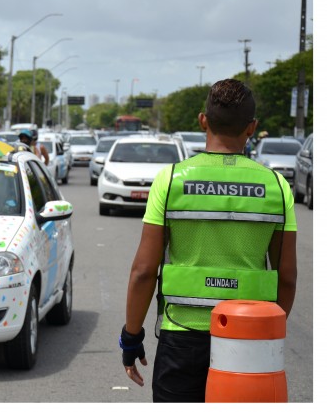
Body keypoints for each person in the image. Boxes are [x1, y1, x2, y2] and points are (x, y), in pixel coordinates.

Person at [120, 79, 297, 402]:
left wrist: (131, 336)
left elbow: (144, 271)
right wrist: (266, 333)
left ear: (203, 120)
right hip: (248, 338)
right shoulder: (276, 187)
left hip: (182, 335)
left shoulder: (170, 180)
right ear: (252, 127)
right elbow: (286, 276)